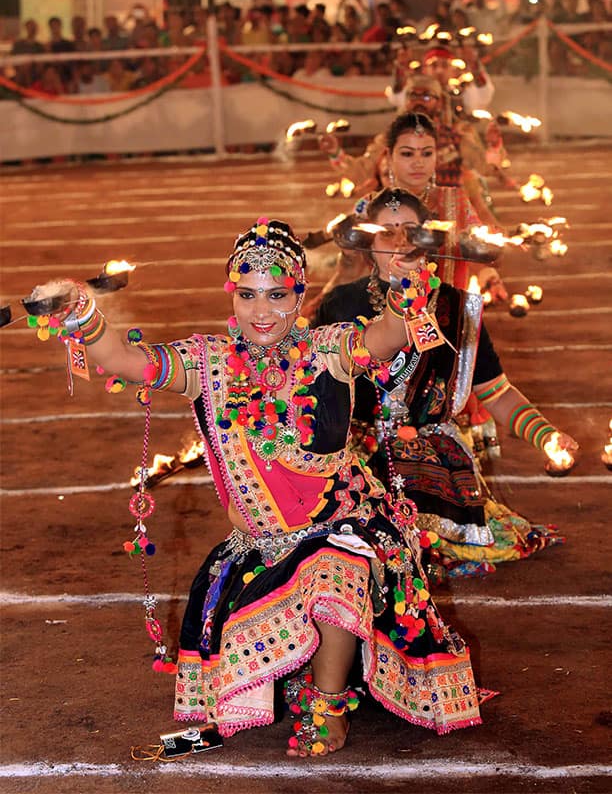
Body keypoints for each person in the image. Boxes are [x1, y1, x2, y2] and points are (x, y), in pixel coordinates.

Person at [35, 218, 483, 755]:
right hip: (258, 542)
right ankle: (303, 664)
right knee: (297, 588)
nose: (262, 311)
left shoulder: (327, 350)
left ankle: (327, 703)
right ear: (232, 294)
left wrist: (403, 289)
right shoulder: (209, 362)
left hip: (341, 528)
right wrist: (80, 313)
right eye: (248, 295)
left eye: (277, 294)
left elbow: (386, 338)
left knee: (334, 569)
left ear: (300, 295)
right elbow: (126, 361)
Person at [312, 189, 578, 581]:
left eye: (411, 231)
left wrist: (547, 437)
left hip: (434, 452)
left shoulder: (458, 308)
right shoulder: (338, 305)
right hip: (359, 450)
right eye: (387, 232)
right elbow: (316, 392)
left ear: (430, 241)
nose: (400, 242)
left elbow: (496, 391)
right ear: (369, 243)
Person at [320, 111, 503, 295]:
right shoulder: (368, 206)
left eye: (427, 153)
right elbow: (349, 271)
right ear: (390, 157)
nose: (418, 163)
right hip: (384, 316)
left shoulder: (455, 201)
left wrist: (489, 275)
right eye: (407, 154)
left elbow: (475, 252)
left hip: (446, 316)